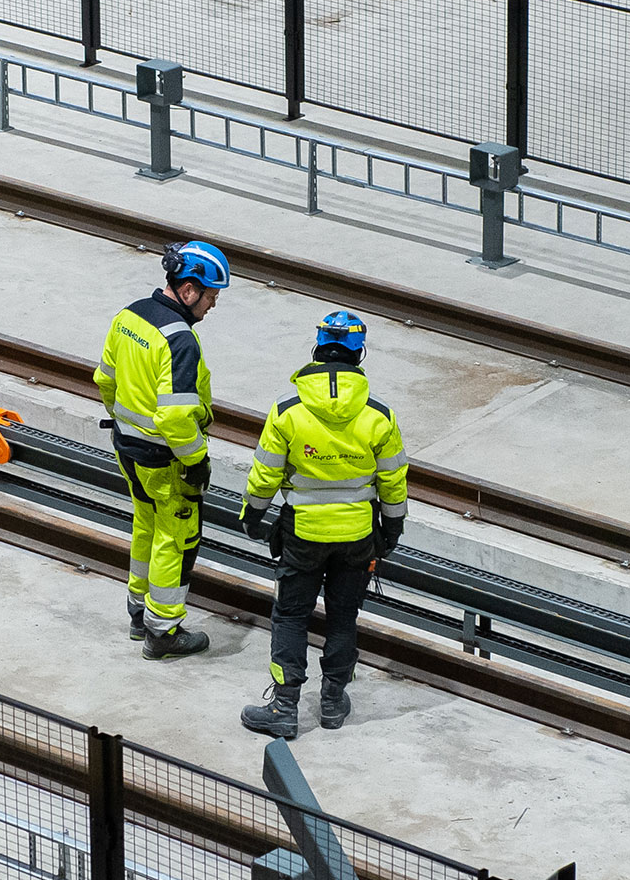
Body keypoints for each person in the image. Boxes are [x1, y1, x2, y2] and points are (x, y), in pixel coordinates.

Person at [237, 311, 410, 738]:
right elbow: (393, 480)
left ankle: (284, 707)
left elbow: (265, 474)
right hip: (357, 536)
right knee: (343, 616)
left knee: (292, 615)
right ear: (359, 355)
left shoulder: (287, 411)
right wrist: (392, 530)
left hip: (302, 533)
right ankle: (332, 702)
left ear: (316, 349)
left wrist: (253, 515)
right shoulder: (379, 416)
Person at [95, 240, 230, 659]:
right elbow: (175, 418)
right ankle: (163, 630)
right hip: (166, 459)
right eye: (210, 297)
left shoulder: (128, 316)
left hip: (127, 448)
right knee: (176, 538)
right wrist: (196, 459)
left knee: (145, 525)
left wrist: (125, 422)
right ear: (189, 291)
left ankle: (138, 612)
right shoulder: (180, 341)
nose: (212, 306)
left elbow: (104, 379)